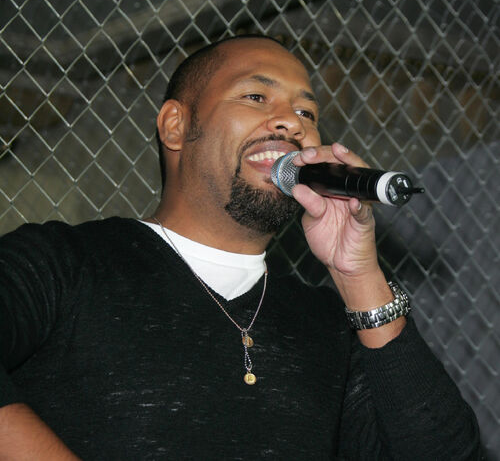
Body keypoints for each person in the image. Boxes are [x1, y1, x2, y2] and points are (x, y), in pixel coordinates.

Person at [0, 35, 482, 460]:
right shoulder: (62, 263)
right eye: (256, 96)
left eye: (307, 113)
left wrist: (359, 277)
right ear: (175, 126)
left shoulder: (327, 326)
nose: (291, 123)